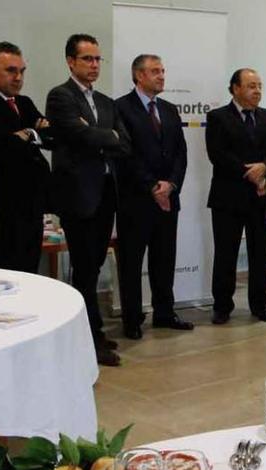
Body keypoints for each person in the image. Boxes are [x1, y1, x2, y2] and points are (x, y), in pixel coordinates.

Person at [46, 34, 131, 366]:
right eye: (87, 59)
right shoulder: (60, 96)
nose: (94, 65)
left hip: (106, 194)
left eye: (98, 59)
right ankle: (85, 339)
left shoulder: (107, 103)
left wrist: (103, 137)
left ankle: (93, 332)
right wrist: (106, 137)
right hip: (78, 196)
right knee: (83, 268)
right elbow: (75, 134)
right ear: (71, 61)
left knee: (93, 267)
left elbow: (125, 144)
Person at [115, 54, 193, 339]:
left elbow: (180, 154)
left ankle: (164, 313)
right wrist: (151, 186)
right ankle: (132, 319)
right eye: (154, 71)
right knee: (132, 263)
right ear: (138, 75)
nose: (161, 76)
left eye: (163, 70)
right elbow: (125, 154)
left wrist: (170, 184)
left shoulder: (170, 110)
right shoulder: (120, 108)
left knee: (164, 259)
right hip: (135, 200)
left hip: (167, 199)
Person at [205, 68, 266, 325]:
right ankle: (222, 306)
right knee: (225, 254)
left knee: (260, 254)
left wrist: (265, 167)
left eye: (260, 85)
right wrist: (248, 172)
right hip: (228, 198)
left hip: (261, 197)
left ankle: (260, 305)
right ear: (235, 88)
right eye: (251, 86)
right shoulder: (218, 117)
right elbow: (217, 154)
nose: (257, 91)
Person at [0, 41, 53, 273]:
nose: (18, 77)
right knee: (9, 271)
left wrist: (28, 133)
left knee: (31, 267)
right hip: (5, 204)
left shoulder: (24, 102)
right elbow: (0, 146)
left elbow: (53, 136)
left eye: (22, 71)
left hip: (34, 202)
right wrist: (34, 133)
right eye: (11, 70)